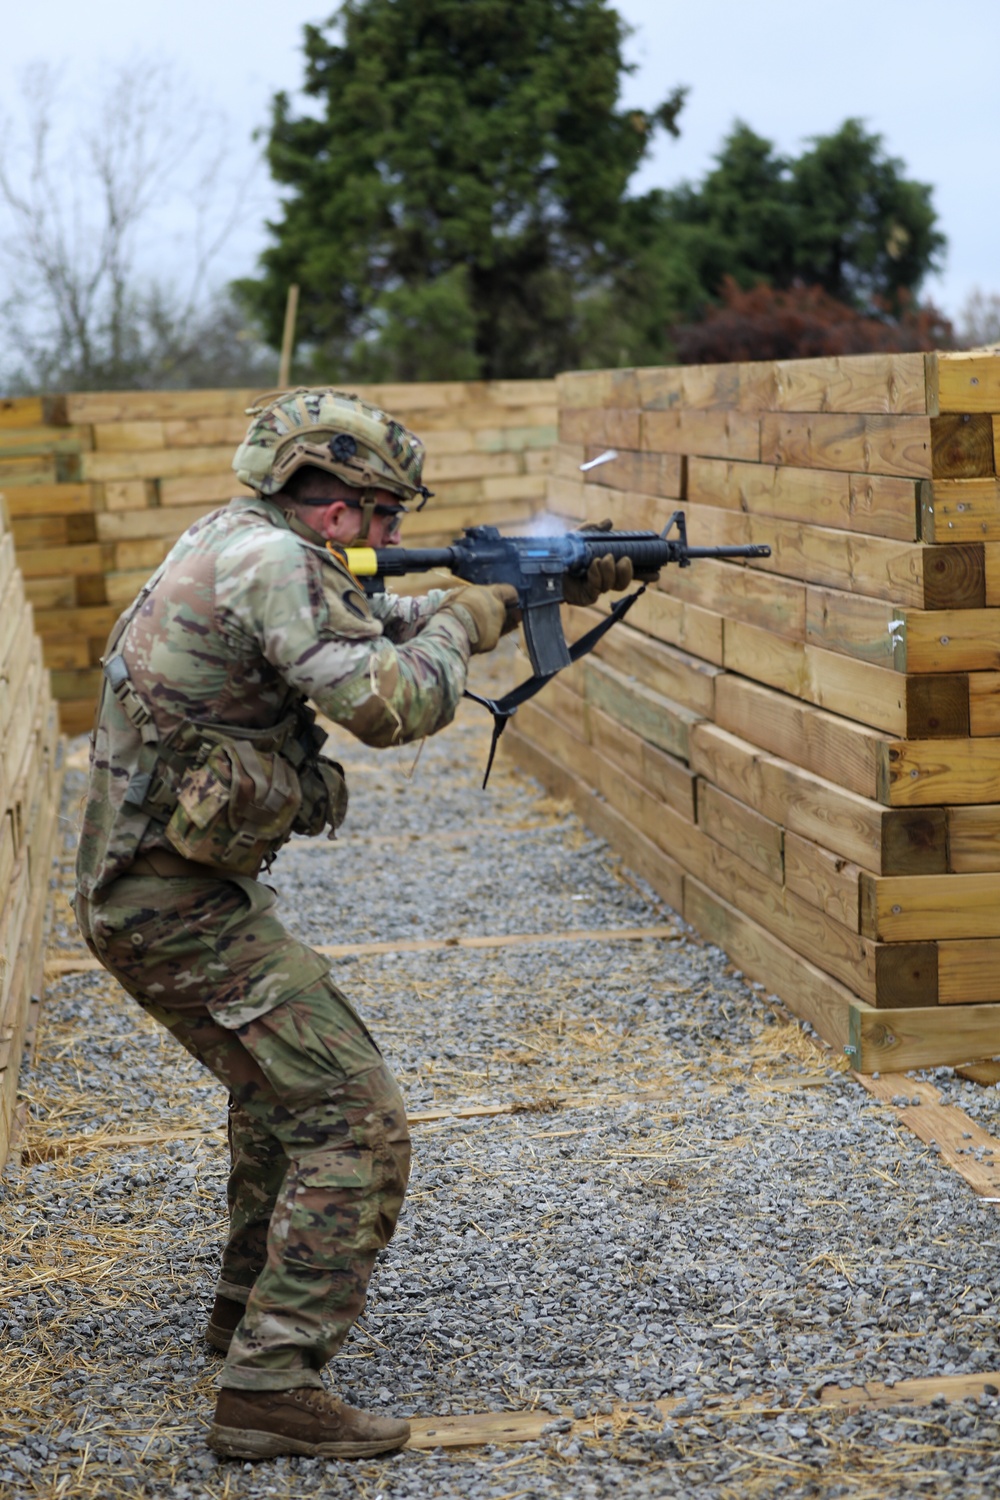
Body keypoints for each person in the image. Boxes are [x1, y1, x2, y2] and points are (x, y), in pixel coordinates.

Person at [73, 387, 631, 1461]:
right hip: (166, 905)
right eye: (384, 518)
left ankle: (248, 1318)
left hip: (160, 889)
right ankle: (270, 1393)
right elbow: (391, 705)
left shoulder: (245, 542)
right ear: (336, 512)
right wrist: (472, 618)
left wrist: (515, 595)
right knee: (354, 1117)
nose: (392, 540)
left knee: (278, 1094)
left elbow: (363, 632)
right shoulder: (275, 565)